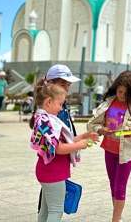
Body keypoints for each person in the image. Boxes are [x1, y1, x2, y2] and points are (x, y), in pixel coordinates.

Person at [29, 78, 99, 222]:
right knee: (56, 211)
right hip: (53, 173)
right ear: (49, 102)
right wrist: (80, 145)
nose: (61, 108)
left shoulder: (43, 118)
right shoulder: (47, 121)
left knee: (46, 209)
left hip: (47, 171)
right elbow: (59, 148)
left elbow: (64, 142)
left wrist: (83, 137)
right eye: (60, 104)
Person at [87, 71, 131, 222]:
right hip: (109, 149)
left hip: (126, 153)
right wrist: (100, 130)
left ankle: (115, 220)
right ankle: (118, 218)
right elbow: (92, 124)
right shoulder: (108, 102)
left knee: (120, 187)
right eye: (120, 91)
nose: (122, 95)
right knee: (113, 186)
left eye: (126, 93)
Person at [44, 64, 81, 135]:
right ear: (51, 83)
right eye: (63, 85)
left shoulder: (61, 102)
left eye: (69, 85)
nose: (67, 89)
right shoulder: (47, 106)